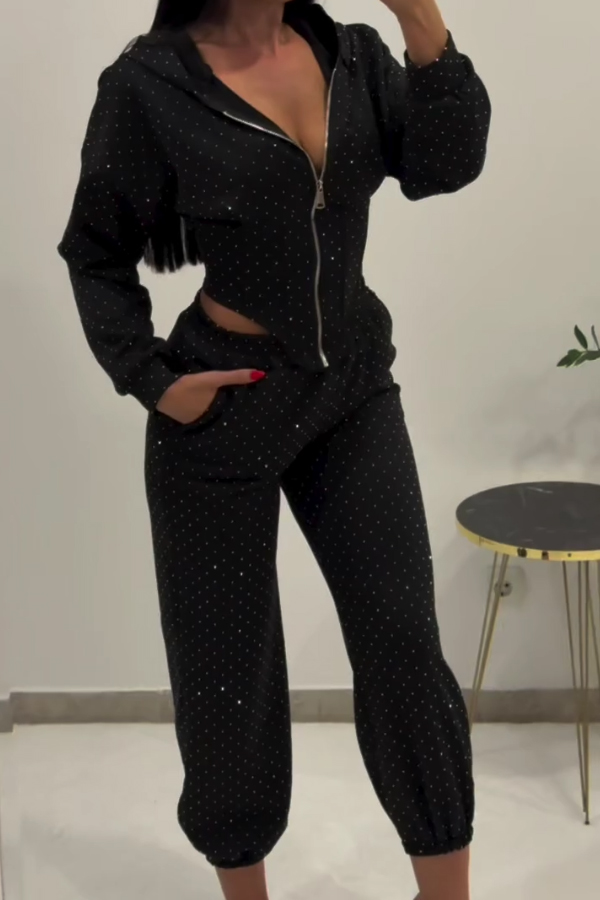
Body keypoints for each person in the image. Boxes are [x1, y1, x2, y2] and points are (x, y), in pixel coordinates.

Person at [58, 1, 491, 897]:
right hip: (224, 408)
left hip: (351, 392)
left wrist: (421, 19)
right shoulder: (150, 84)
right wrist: (152, 379)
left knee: (405, 646)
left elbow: (446, 164)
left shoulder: (352, 56)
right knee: (227, 682)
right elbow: (95, 250)